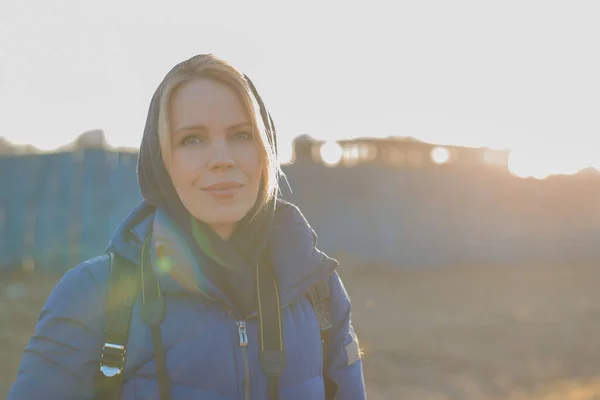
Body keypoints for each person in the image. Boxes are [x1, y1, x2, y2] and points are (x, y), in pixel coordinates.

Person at [8, 54, 366, 400]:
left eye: (241, 135)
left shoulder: (317, 290)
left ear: (265, 150)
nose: (221, 159)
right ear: (161, 161)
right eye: (192, 139)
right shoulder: (92, 295)